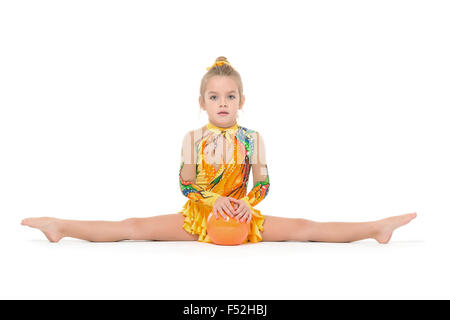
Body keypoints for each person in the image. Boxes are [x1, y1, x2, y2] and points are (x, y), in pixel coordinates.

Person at [21, 56, 417, 244]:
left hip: (242, 218)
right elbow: (187, 185)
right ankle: (61, 226)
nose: (222, 102)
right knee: (134, 227)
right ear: (202, 101)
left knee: (305, 228)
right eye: (214, 96)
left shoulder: (253, 138)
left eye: (230, 96)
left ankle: (375, 228)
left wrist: (247, 204)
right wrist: (213, 204)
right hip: (200, 217)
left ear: (241, 100)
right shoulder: (193, 139)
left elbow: (261, 184)